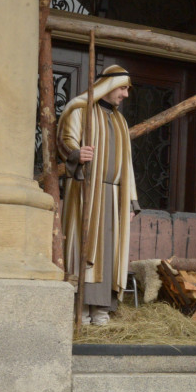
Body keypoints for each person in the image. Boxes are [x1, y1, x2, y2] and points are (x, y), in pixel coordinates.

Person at [58, 65, 139, 326]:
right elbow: (64, 138)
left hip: (115, 196)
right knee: (83, 246)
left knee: (109, 253)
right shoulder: (79, 109)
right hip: (86, 190)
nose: (126, 95)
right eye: (123, 88)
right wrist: (75, 153)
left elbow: (127, 163)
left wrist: (130, 201)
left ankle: (101, 309)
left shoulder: (120, 120)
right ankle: (79, 308)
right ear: (108, 85)